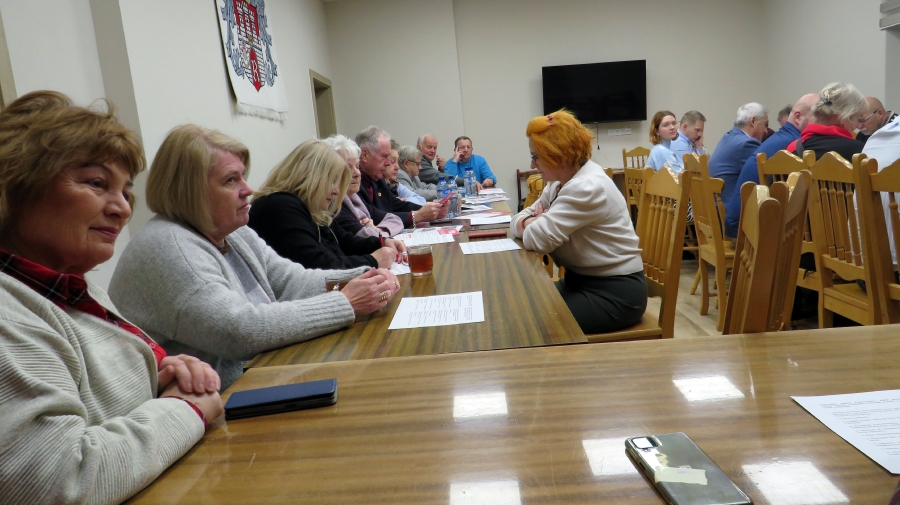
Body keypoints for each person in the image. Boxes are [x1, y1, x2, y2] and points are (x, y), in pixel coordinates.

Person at [0, 91, 223, 504]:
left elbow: (96, 404)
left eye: (125, 191)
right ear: (15, 186)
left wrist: (158, 378)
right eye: (96, 183)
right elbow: (58, 482)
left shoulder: (74, 288)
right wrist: (184, 409)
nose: (122, 208)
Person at [109, 125, 401, 390]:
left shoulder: (233, 232)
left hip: (249, 384)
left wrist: (364, 277)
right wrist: (346, 302)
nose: (248, 190)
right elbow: (240, 331)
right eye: (231, 180)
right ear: (190, 190)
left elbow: (289, 280)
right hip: (211, 408)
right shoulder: (168, 246)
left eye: (243, 177)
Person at [511, 109, 646, 334]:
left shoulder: (587, 186)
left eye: (536, 157)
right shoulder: (558, 183)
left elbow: (538, 240)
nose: (533, 165)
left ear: (558, 154)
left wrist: (532, 222)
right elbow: (516, 220)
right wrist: (532, 220)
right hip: (578, 283)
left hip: (614, 294)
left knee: (529, 323)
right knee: (519, 306)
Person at [248, 140, 406, 271]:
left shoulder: (310, 207)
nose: (337, 191)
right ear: (311, 177)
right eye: (332, 181)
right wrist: (372, 261)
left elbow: (346, 241)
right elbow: (319, 265)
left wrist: (382, 242)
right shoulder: (279, 207)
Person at [723, 93, 817, 239]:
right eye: (818, 116)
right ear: (798, 117)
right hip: (749, 235)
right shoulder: (795, 145)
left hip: (738, 225)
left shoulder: (779, 139)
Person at [356, 126, 446, 228]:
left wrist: (432, 211)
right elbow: (375, 216)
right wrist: (416, 216)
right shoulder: (354, 184)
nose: (388, 163)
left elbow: (396, 204)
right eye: (384, 156)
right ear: (364, 155)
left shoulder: (377, 179)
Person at [324, 134, 405, 238]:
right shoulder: (334, 206)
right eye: (348, 168)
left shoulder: (355, 200)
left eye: (357, 166)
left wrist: (376, 230)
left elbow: (395, 220)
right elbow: (364, 236)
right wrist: (375, 231)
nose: (357, 173)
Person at [708, 102, 768, 215]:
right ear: (753, 121)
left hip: (713, 211)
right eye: (765, 124)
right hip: (728, 214)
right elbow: (765, 178)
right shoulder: (747, 144)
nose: (766, 131)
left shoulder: (728, 136)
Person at [786, 82, 867, 161]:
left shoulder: (791, 150)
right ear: (844, 119)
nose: (857, 126)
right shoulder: (860, 153)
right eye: (858, 119)